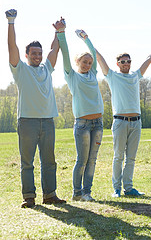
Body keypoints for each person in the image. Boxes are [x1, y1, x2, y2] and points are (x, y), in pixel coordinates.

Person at [6, 9, 66, 208]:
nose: (38, 56)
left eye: (39, 53)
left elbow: (54, 50)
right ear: (27, 55)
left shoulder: (47, 68)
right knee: (27, 163)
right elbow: (11, 47)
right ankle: (29, 197)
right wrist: (11, 22)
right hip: (27, 122)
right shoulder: (20, 69)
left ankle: (50, 195)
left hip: (48, 121)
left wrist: (58, 32)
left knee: (49, 161)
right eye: (34, 53)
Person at [95, 36, 151, 198]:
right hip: (120, 122)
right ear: (118, 64)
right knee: (118, 156)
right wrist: (87, 40)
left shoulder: (135, 76)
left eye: (128, 61)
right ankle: (116, 189)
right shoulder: (112, 76)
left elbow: (148, 61)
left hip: (136, 122)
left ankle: (128, 188)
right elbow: (99, 58)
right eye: (123, 62)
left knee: (131, 157)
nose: (126, 64)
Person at [58, 28, 104, 202]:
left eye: (90, 63)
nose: (87, 65)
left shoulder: (93, 74)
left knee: (92, 160)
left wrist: (86, 38)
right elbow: (65, 55)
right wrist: (61, 35)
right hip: (83, 125)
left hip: (98, 124)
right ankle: (77, 193)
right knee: (82, 160)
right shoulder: (72, 76)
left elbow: (93, 52)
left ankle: (87, 192)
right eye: (84, 62)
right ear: (77, 61)